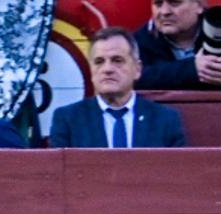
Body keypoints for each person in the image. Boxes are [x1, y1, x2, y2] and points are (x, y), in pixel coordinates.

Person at [50, 27, 186, 148]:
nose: (107, 69)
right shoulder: (68, 120)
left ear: (137, 69)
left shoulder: (165, 120)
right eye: (99, 62)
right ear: (91, 70)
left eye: (117, 60)